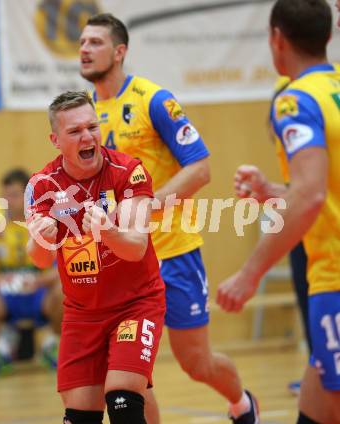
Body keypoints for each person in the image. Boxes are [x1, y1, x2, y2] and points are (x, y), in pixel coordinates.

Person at [79, 13, 259, 424]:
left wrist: (146, 205)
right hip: (123, 259)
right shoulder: (84, 114)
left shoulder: (152, 100)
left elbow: (201, 168)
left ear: (120, 51)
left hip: (173, 252)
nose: (85, 49)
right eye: (82, 42)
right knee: (127, 372)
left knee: (196, 361)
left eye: (95, 42)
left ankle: (242, 405)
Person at [217, 0, 340, 422]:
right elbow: (322, 187)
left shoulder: (295, 101)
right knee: (316, 405)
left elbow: (310, 198)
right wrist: (274, 192)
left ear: (276, 38)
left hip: (336, 274)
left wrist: (248, 274)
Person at [25, 90, 166, 424]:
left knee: (123, 400)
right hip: (82, 314)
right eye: (75, 131)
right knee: (80, 416)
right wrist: (41, 241)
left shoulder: (128, 171)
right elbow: (39, 260)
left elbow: (136, 247)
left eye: (92, 126)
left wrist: (109, 232)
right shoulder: (42, 185)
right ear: (56, 140)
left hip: (136, 303)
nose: (87, 136)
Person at [0, 169, 63, 377]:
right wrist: (1, 280)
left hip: (40, 294)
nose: (8, 200)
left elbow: (63, 267)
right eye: (5, 195)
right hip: (5, 295)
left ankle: (54, 345)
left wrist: (40, 281)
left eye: (14, 195)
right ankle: (0, 348)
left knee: (69, 288)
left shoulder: (48, 220)